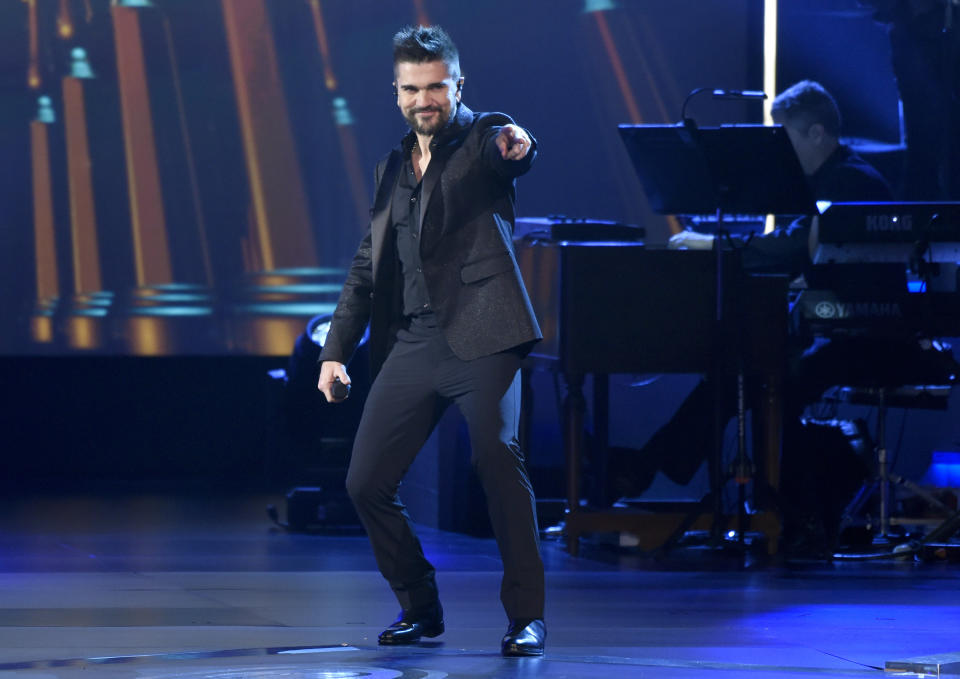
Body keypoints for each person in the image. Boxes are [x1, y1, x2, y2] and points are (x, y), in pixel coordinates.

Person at [316, 25, 546, 657]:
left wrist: (518, 144)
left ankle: (527, 617)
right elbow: (369, 264)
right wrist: (335, 351)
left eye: (437, 87)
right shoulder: (391, 168)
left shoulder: (480, 138)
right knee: (365, 482)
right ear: (396, 93)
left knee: (498, 459)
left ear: (457, 85)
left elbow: (512, 147)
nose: (426, 99)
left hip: (484, 335)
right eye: (413, 88)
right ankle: (420, 605)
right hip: (415, 341)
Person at [668, 80, 892, 274]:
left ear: (816, 134)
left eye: (783, 136)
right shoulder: (827, 177)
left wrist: (714, 244)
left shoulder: (850, 181)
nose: (777, 146)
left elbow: (796, 242)